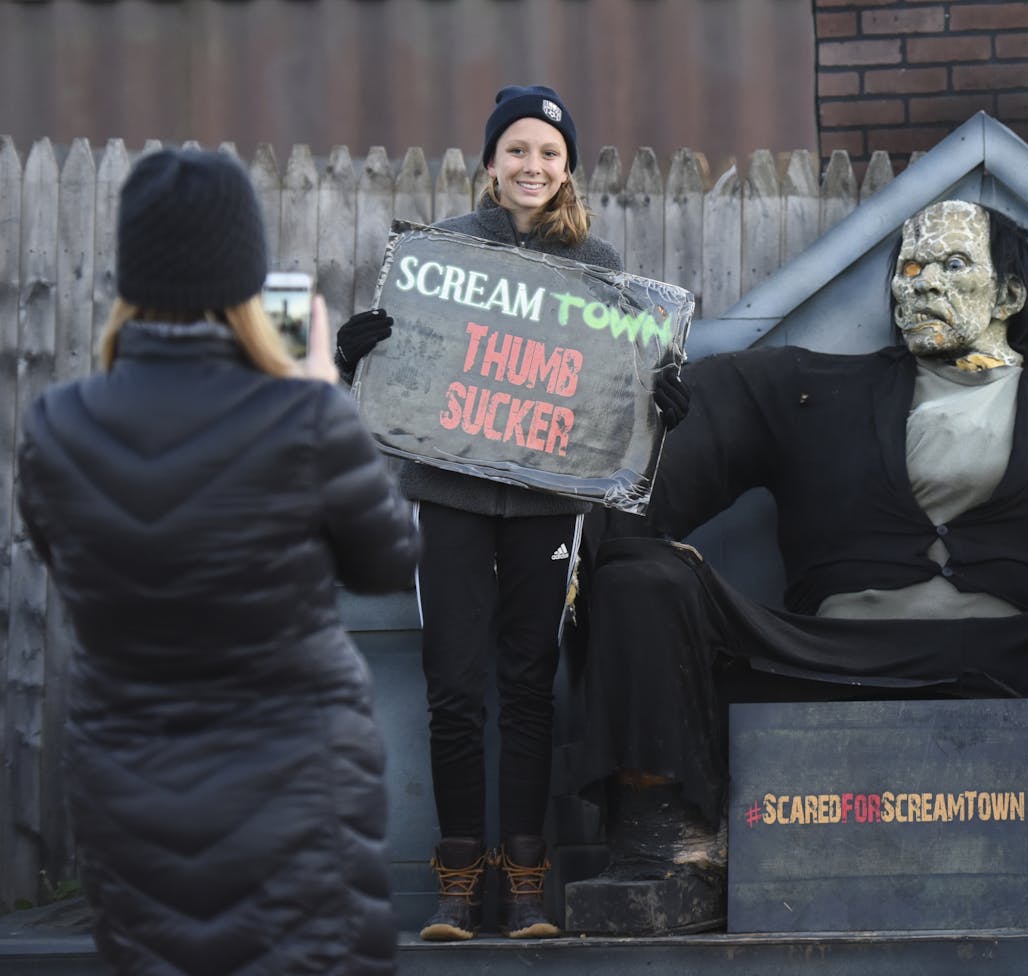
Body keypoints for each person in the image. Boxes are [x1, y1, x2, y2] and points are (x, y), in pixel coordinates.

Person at [567, 199, 1028, 935]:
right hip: (818, 657)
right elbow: (646, 480)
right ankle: (663, 852)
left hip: (1023, 656)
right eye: (911, 267)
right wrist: (651, 413)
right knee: (639, 577)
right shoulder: (810, 390)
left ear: (1011, 296)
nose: (923, 284)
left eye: (954, 265)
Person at [16, 148, 422, 975]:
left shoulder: (57, 425)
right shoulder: (304, 416)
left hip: (128, 790)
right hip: (296, 785)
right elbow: (387, 563)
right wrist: (316, 383)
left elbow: (73, 572)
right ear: (245, 280)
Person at [335, 84, 685, 942]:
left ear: (569, 170)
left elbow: (615, 389)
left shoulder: (599, 266)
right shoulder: (439, 257)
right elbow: (405, 378)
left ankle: (525, 889)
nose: (533, 166)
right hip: (449, 495)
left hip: (547, 500)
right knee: (454, 688)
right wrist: (362, 354)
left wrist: (664, 398)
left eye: (550, 154)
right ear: (489, 163)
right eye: (518, 150)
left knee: (529, 686)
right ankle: (459, 887)